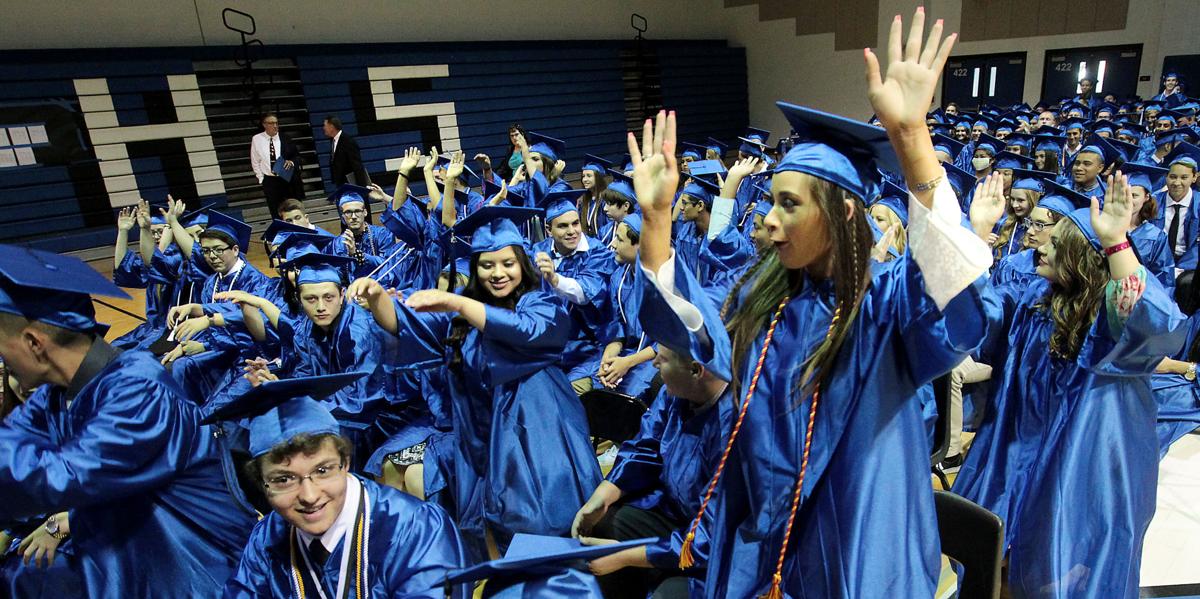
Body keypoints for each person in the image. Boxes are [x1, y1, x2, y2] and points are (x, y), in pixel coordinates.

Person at [629, 10, 996, 596]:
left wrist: (911, 139)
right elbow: (692, 336)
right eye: (770, 201)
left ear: (844, 212)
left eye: (789, 205)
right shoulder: (762, 292)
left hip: (856, 530)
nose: (768, 220)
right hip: (764, 528)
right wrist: (656, 221)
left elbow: (962, 306)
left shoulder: (886, 302)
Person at [956, 171, 1186, 596]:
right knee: (999, 548)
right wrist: (977, 232)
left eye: (1056, 243)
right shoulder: (1030, 300)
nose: (1039, 245)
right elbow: (974, 314)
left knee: (1063, 554)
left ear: (1080, 258)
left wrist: (1117, 241)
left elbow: (1147, 318)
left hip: (1082, 455)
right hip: (1017, 445)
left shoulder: (1106, 320)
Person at [0, 245, 257, 598]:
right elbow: (11, 444)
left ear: (34, 343)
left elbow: (63, 477)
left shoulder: (140, 388)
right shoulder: (54, 396)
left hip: (190, 571)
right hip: (124, 561)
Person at [348, 206, 601, 558]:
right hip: (480, 437)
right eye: (487, 265)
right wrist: (376, 297)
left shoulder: (541, 303)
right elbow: (405, 326)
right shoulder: (460, 319)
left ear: (522, 264)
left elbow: (526, 331)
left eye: (508, 264)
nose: (498, 273)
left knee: (542, 525)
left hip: (539, 435)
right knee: (491, 528)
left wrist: (458, 302)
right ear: (475, 268)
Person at [214, 374, 468, 598]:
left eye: (322, 471)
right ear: (262, 484)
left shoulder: (416, 530)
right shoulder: (266, 539)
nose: (310, 496)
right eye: (284, 480)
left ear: (345, 463)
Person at [532, 190, 618, 392]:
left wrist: (554, 278)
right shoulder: (538, 251)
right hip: (547, 347)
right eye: (563, 226)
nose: (572, 231)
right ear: (548, 229)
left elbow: (586, 293)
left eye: (575, 223)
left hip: (586, 348)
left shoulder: (597, 252)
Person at [594, 214, 658, 398]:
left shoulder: (665, 283)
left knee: (631, 395)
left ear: (640, 246)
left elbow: (668, 343)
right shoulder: (619, 278)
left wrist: (628, 362)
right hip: (628, 352)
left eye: (620, 239)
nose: (612, 244)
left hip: (656, 359)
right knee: (601, 384)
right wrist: (608, 358)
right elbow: (616, 326)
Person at [251, 112, 302, 219]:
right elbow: (255, 160)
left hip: (286, 178)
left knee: (291, 207)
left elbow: (297, 156)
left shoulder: (286, 138)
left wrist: (291, 162)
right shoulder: (257, 139)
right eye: (271, 123)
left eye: (276, 123)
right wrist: (261, 178)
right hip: (270, 180)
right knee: (275, 209)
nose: (275, 126)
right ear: (264, 124)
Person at [324, 115, 368, 187]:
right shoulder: (333, 141)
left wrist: (361, 187)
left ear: (331, 127)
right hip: (341, 183)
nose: (324, 128)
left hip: (351, 183)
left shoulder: (348, 141)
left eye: (325, 125)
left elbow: (357, 165)